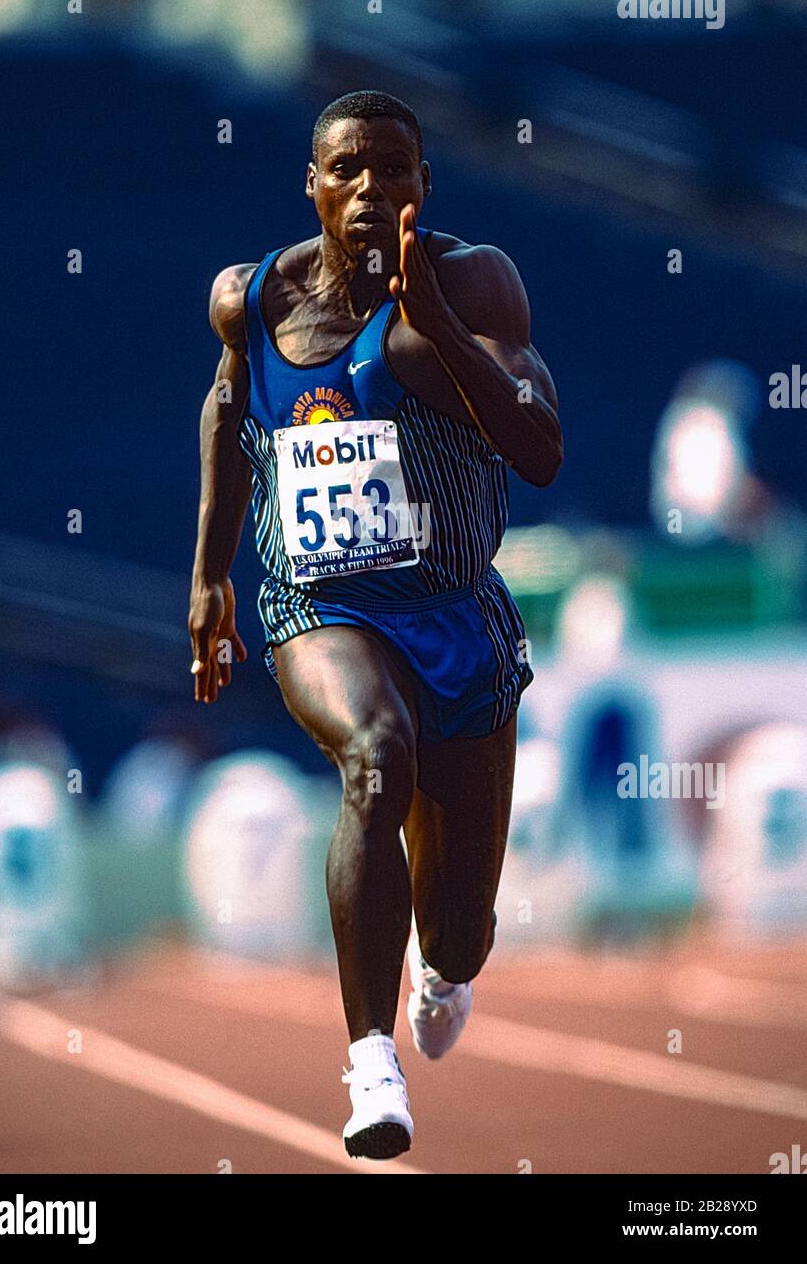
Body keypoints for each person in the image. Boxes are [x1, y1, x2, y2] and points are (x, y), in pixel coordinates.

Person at [189, 91, 563, 1159]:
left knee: (462, 932)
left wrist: (433, 323)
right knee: (373, 753)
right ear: (311, 187)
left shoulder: (476, 280)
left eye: (393, 170)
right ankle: (367, 1061)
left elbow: (539, 450)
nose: (369, 190)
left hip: (454, 612)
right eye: (346, 170)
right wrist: (210, 575)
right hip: (319, 601)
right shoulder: (249, 298)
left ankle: (436, 971)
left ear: (424, 187)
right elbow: (226, 404)